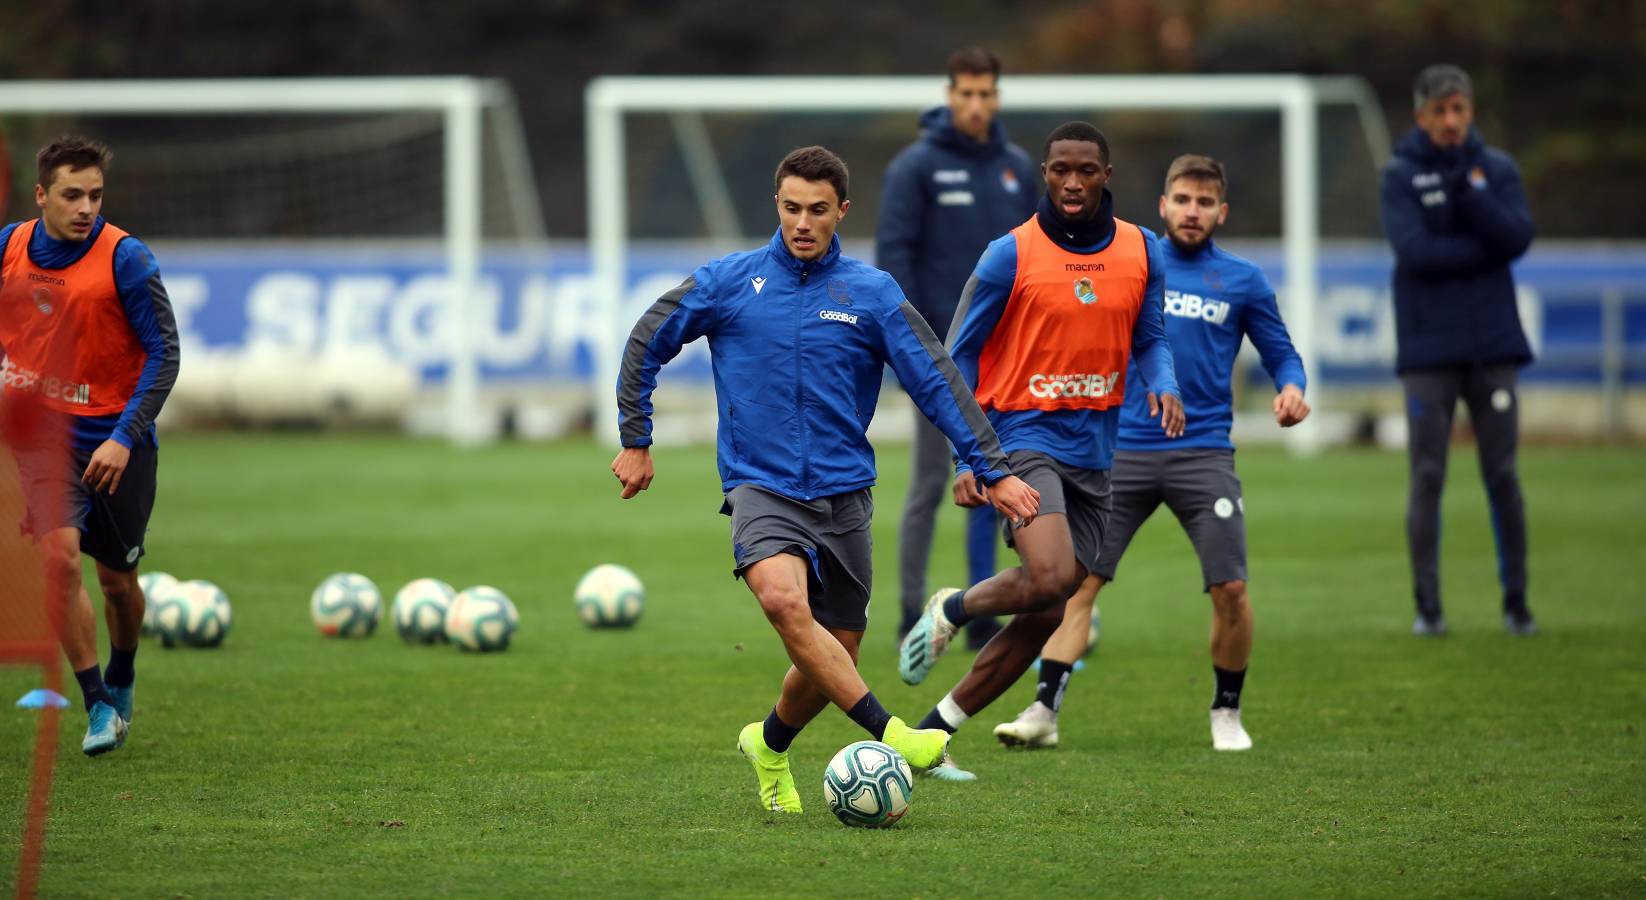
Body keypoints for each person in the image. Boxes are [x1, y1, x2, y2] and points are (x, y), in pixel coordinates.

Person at [611, 145, 1040, 814]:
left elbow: (936, 381)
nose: (802, 223)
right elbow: (647, 339)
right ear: (775, 206)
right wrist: (636, 439)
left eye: (817, 211)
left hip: (846, 498)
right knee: (785, 606)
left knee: (833, 650)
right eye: (790, 209)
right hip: (760, 488)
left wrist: (994, 470)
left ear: (842, 211)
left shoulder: (870, 293)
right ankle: (898, 733)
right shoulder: (730, 281)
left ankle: (770, 744)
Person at [993, 154, 1309, 755]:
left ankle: (1226, 711)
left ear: (1221, 210)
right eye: (1182, 201)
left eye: (1204, 202)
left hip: (1203, 455)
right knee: (1078, 587)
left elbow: (1282, 353)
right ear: (1164, 207)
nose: (1193, 212)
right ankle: (1043, 710)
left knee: (1232, 591)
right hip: (1122, 454)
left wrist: (1292, 387)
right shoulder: (1134, 261)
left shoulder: (1242, 280)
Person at [897, 122, 1182, 779]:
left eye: (1086, 170)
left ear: (1106, 174)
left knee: (1048, 608)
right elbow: (955, 354)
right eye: (1060, 170)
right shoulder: (1009, 254)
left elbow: (1151, 337)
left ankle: (932, 734)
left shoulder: (1143, 250)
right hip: (1020, 438)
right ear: (1045, 175)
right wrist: (969, 457)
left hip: (1095, 450)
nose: (1073, 182)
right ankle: (954, 607)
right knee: (1052, 578)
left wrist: (1162, 383)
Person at [0, 136, 180, 756]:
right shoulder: (8, 247)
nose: (86, 208)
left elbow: (165, 355)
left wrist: (125, 437)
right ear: (41, 195)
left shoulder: (127, 259)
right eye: (72, 195)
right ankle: (97, 701)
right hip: (42, 437)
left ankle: (124, 670)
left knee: (118, 583)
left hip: (114, 439)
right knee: (57, 561)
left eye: (96, 196)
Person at [877, 46, 1039, 650]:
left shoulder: (1018, 168)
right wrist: (910, 354)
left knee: (1000, 479)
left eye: (986, 93)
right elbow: (895, 265)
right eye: (966, 93)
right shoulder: (915, 167)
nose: (976, 104)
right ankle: (907, 612)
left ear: (997, 97)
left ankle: (981, 609)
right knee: (927, 486)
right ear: (950, 96)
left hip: (1008, 360)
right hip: (937, 362)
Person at [1380, 65, 1536, 637]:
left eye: (1459, 110)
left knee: (1503, 475)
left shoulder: (1495, 171)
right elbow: (1416, 251)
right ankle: (1429, 609)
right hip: (1427, 353)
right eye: (1439, 111)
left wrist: (1470, 196)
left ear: (1470, 113)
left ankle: (1517, 604)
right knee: (1427, 475)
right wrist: (1482, 245)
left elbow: (1517, 238)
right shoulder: (1399, 175)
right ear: (1421, 116)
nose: (1450, 121)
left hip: (1493, 347)